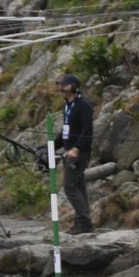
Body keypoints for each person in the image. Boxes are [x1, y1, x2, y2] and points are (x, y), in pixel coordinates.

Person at [56, 73, 94, 233]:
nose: (61, 88)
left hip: (79, 153)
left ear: (72, 86)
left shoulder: (83, 105)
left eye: (64, 85)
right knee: (78, 185)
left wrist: (76, 149)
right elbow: (66, 131)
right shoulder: (67, 105)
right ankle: (84, 221)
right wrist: (50, 146)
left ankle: (83, 221)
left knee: (69, 186)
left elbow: (87, 131)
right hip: (69, 150)